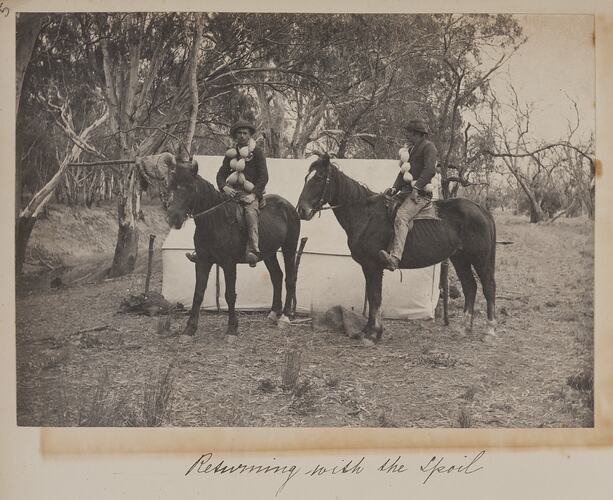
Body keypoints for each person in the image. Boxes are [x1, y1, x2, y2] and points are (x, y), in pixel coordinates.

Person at [378, 118, 437, 271]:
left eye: (409, 132)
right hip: (406, 192)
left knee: (402, 216)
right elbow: (403, 172)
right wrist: (394, 189)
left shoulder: (429, 147)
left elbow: (430, 170)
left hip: (420, 194)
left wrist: (417, 188)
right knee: (383, 206)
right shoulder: (410, 149)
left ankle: (395, 258)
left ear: (417, 134)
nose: (407, 135)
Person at [216, 119, 269, 267]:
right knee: (213, 210)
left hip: (250, 193)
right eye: (239, 133)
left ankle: (253, 250)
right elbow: (221, 175)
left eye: (245, 133)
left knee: (250, 214)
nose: (242, 135)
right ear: (235, 136)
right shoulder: (230, 154)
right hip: (232, 193)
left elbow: (264, 176)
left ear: (250, 135)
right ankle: (206, 249)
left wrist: (254, 195)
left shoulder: (257, 152)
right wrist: (224, 187)